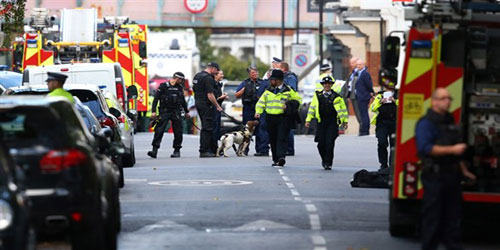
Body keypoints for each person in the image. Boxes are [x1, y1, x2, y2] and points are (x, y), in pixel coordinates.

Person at [415, 88, 476, 250]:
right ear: (434, 101)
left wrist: (464, 171)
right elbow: (426, 148)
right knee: (433, 220)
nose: (447, 101)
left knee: (453, 221)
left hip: (452, 177)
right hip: (434, 177)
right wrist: (453, 150)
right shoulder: (426, 123)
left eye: (449, 98)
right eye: (443, 98)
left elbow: (457, 153)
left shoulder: (450, 123)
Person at [255, 69, 301, 167]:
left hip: (283, 118)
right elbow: (261, 102)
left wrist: (289, 105)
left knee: (282, 137)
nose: (271, 81)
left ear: (279, 80)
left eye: (273, 80)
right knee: (273, 138)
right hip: (270, 118)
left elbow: (298, 101)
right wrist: (258, 112)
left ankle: (281, 157)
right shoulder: (268, 91)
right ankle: (275, 159)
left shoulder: (288, 90)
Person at [305, 76, 348, 170]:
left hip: (332, 122)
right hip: (321, 122)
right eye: (325, 84)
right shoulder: (317, 96)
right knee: (320, 143)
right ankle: (324, 159)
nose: (327, 85)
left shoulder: (337, 97)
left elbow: (343, 109)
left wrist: (345, 121)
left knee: (330, 142)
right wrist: (308, 120)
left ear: (331, 85)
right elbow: (312, 108)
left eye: (329, 84)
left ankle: (328, 162)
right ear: (323, 85)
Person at [147, 72, 189, 158]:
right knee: (159, 130)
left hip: (176, 112)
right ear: (176, 78)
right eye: (181, 79)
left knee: (178, 131)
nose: (181, 81)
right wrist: (154, 111)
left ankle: (177, 150)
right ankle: (154, 150)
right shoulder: (163, 86)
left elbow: (182, 101)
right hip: (165, 111)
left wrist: (186, 111)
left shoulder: (179, 87)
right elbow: (156, 99)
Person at [235, 66, 270, 156]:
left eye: (256, 72)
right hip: (248, 108)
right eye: (253, 72)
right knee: (246, 129)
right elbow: (237, 95)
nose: (255, 74)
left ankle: (261, 149)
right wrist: (244, 89)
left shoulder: (263, 83)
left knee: (261, 129)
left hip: (260, 108)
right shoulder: (245, 83)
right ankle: (244, 150)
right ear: (249, 74)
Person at [193, 62, 223, 158]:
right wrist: (217, 105)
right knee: (207, 127)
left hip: (198, 102)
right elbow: (210, 95)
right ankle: (204, 150)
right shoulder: (208, 78)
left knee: (205, 126)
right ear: (213, 68)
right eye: (216, 70)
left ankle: (209, 149)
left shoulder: (197, 76)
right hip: (206, 105)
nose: (216, 72)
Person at [370, 71, 398, 169]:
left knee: (394, 146)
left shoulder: (399, 95)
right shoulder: (380, 95)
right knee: (382, 143)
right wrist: (380, 102)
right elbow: (372, 108)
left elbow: (404, 107)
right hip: (382, 123)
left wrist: (395, 101)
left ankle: (392, 166)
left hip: (395, 123)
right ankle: (383, 164)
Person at [279, 61, 299, 156]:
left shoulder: (290, 77)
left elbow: (291, 90)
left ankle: (290, 149)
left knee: (289, 128)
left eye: (279, 68)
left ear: (283, 68)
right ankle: (286, 148)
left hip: (289, 105)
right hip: (284, 105)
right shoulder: (284, 77)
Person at [351, 59, 374, 136]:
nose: (358, 66)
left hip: (364, 96)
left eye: (360, 65)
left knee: (364, 114)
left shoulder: (365, 74)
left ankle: (365, 130)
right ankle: (363, 129)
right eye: (357, 65)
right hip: (359, 96)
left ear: (364, 65)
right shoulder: (358, 73)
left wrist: (371, 92)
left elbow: (369, 85)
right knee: (361, 113)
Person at [212, 70, 228, 153]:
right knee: (214, 128)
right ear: (215, 75)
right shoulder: (213, 84)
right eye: (220, 74)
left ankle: (216, 148)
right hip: (214, 109)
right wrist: (221, 97)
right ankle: (213, 148)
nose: (222, 75)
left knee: (217, 129)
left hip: (218, 108)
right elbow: (213, 98)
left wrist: (223, 97)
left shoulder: (219, 84)